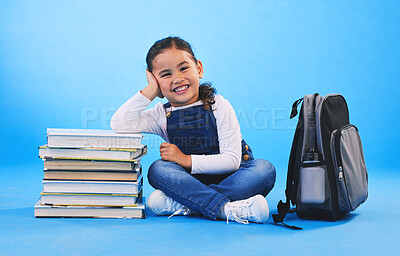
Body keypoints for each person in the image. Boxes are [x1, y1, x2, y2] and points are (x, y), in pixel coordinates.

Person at [111, 36, 276, 224]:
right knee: (157, 169)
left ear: (199, 69)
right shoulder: (160, 115)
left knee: (264, 169)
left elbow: (231, 161)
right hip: (189, 181)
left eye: (184, 68)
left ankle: (188, 204)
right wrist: (150, 90)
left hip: (232, 178)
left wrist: (184, 159)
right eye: (166, 75)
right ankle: (227, 208)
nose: (178, 79)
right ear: (156, 81)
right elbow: (120, 124)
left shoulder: (218, 105)